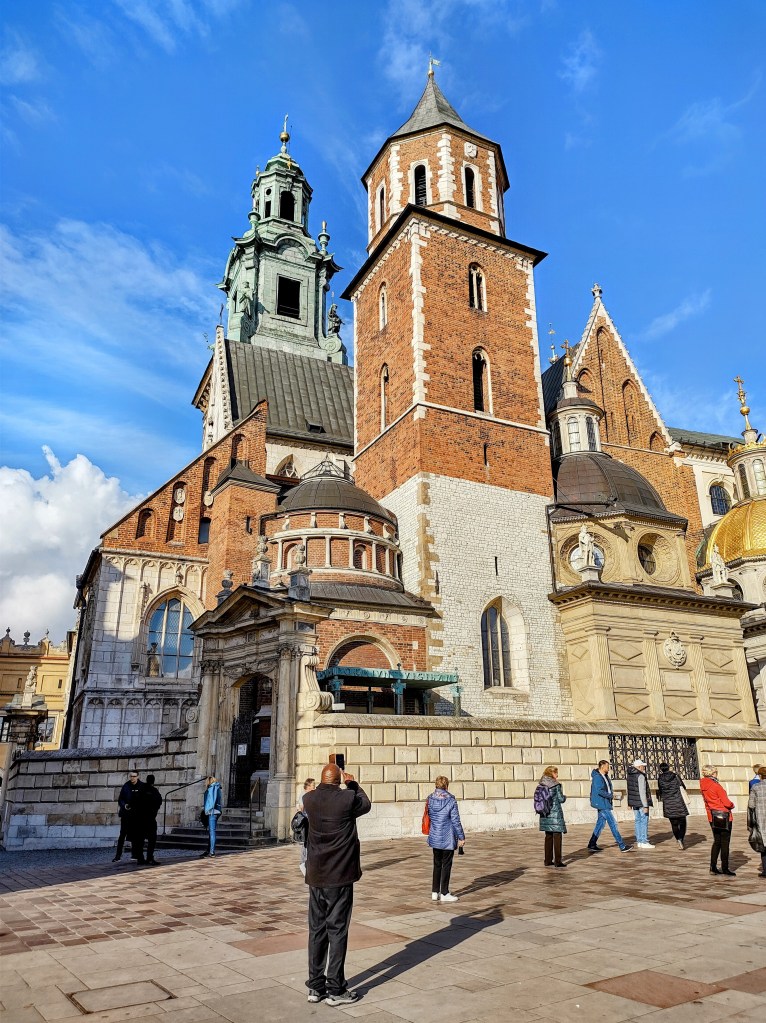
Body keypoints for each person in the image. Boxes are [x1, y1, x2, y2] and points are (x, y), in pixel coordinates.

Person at [303, 762, 371, 1006]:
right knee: (337, 930)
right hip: (339, 876)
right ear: (338, 780)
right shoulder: (347, 798)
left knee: (317, 930)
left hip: (316, 875)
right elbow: (366, 804)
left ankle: (315, 986)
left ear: (322, 779)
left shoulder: (309, 799)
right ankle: (336, 988)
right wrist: (352, 782)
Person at [426, 776, 466, 903]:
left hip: (435, 836)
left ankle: (434, 892)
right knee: (446, 865)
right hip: (448, 837)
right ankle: (444, 892)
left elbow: (430, 817)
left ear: (436, 785)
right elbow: (455, 821)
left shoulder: (430, 799)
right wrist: (461, 836)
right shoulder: (451, 800)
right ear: (446, 786)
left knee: (437, 864)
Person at [700, 765, 736, 876]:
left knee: (717, 842)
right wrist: (732, 805)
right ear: (713, 773)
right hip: (724, 816)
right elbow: (726, 802)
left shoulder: (703, 785)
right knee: (725, 843)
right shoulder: (716, 786)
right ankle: (725, 867)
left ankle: (713, 866)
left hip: (712, 816)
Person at [587, 759, 629, 852]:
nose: (609, 768)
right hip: (602, 803)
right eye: (607, 766)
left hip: (605, 802)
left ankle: (592, 844)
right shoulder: (598, 777)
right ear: (602, 766)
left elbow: (607, 788)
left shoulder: (604, 776)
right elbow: (599, 790)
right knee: (613, 824)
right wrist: (610, 795)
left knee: (600, 824)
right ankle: (622, 846)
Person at [537, 766, 567, 867]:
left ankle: (548, 860)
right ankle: (558, 861)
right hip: (555, 813)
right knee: (557, 836)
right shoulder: (555, 785)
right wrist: (565, 797)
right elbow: (560, 799)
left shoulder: (541, 784)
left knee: (548, 836)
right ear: (551, 773)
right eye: (556, 773)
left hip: (545, 813)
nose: (557, 775)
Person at [656, 762, 689, 850]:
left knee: (674, 824)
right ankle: (681, 838)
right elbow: (683, 786)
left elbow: (660, 790)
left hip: (668, 803)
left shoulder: (660, 778)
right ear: (668, 767)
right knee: (683, 822)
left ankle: (678, 838)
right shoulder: (675, 776)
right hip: (678, 801)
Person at [113, 770, 143, 863]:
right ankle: (118, 856)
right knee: (122, 835)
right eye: (131, 776)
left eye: (134, 776)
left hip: (137, 815)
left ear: (137, 776)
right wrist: (124, 805)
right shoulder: (126, 786)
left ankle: (135, 855)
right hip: (126, 814)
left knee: (136, 835)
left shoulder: (142, 786)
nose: (132, 778)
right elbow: (120, 799)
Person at [134, 774, 163, 866]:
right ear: (153, 781)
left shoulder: (140, 790)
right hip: (149, 818)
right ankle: (149, 857)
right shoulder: (153, 791)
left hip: (140, 819)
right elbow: (159, 801)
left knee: (140, 839)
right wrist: (153, 810)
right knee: (152, 839)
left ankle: (140, 858)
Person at [627, 758, 654, 849]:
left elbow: (629, 790)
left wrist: (629, 803)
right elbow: (642, 791)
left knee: (637, 821)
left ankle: (639, 840)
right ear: (639, 767)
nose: (644, 767)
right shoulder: (640, 776)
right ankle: (644, 841)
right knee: (644, 821)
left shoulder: (630, 775)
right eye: (643, 766)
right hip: (641, 802)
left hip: (634, 802)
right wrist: (645, 805)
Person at [747, 765, 766, 878]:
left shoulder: (755, 787)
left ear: (760, 775)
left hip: (761, 820)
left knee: (764, 846)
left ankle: (765, 871)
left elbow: (751, 805)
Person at [297, 777, 316, 876]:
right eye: (313, 786)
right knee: (306, 842)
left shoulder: (308, 795)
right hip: (307, 822)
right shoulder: (304, 795)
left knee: (308, 842)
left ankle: (306, 863)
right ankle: (304, 863)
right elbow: (301, 810)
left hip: (310, 821)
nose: (314, 788)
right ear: (308, 786)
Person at [200, 775, 223, 858]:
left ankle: (212, 852)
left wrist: (207, 810)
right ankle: (209, 849)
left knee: (212, 832)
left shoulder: (211, 788)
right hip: (217, 810)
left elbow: (211, 801)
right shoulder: (217, 787)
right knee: (211, 832)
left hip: (212, 812)